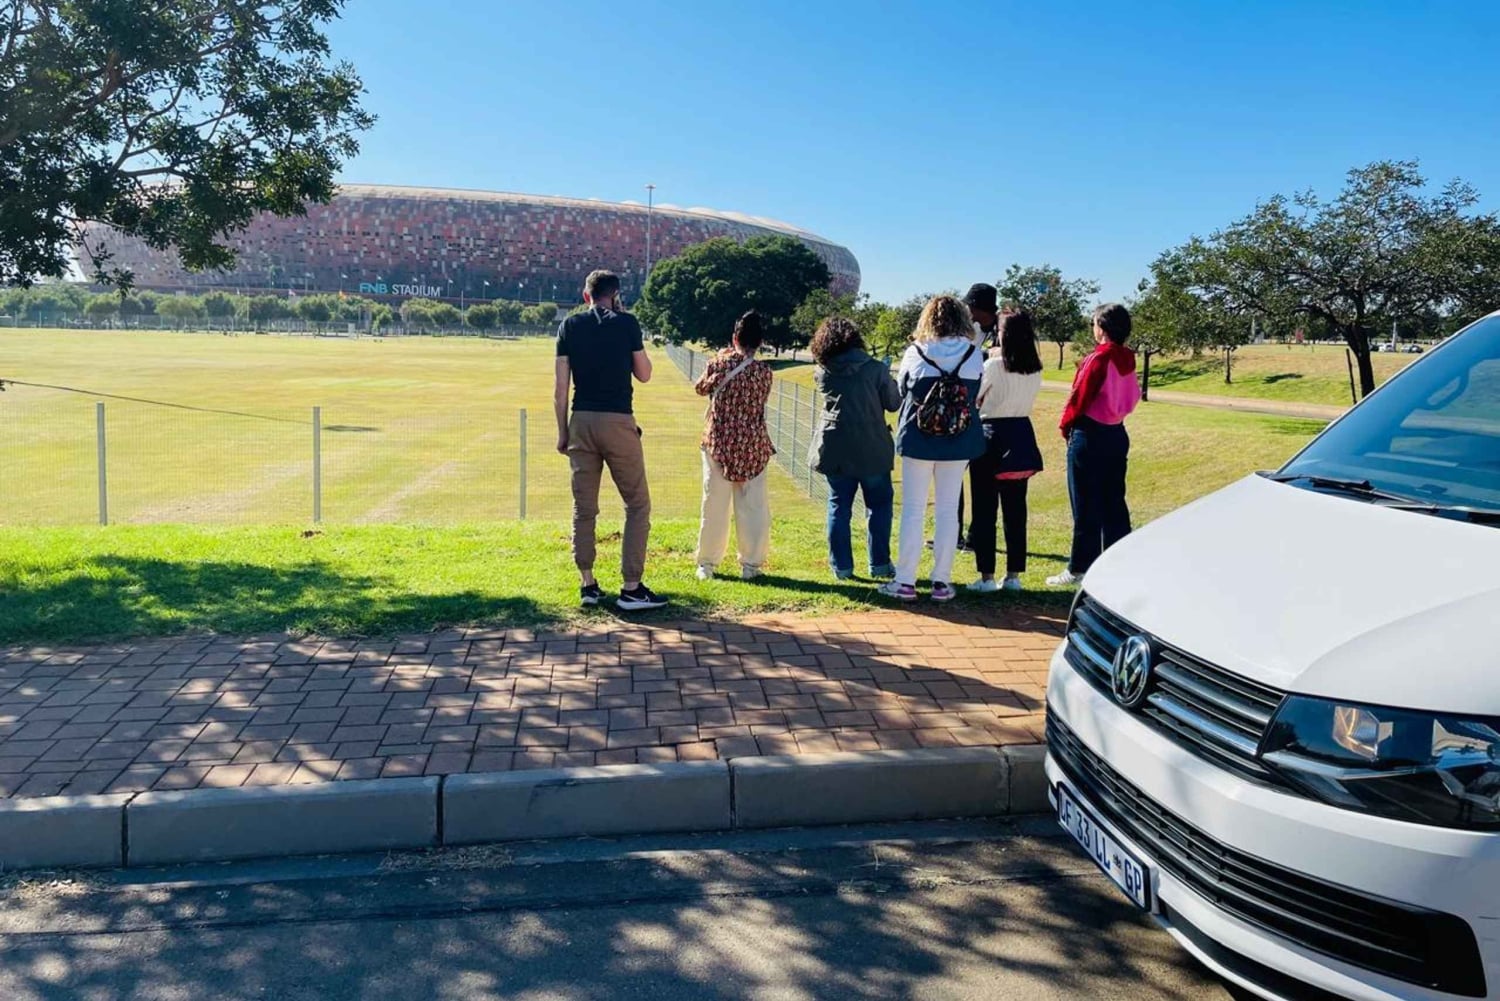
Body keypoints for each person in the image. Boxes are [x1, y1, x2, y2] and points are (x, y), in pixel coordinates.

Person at [553, 269, 667, 611]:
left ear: (586, 295)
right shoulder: (627, 324)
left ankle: (588, 584)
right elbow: (644, 375)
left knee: (584, 508)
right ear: (615, 295)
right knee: (637, 504)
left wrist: (563, 432)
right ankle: (631, 588)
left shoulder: (569, 326)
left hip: (581, 421)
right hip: (618, 421)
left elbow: (560, 390)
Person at [880, 294, 985, 603]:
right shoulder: (973, 353)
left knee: (913, 509)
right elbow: (976, 393)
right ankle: (941, 580)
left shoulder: (916, 352)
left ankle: (906, 580)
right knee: (947, 510)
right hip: (959, 438)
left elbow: (902, 389)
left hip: (919, 436)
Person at [1048, 302, 1141, 587]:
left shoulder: (1098, 359)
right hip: (1116, 432)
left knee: (1085, 504)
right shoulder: (1128, 358)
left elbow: (1079, 397)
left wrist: (1066, 426)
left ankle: (1079, 567)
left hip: (1090, 433)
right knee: (1114, 502)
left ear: (1102, 327)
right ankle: (1119, 563)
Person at [808, 316, 900, 580]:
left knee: (838, 505)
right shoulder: (875, 370)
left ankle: (842, 567)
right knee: (880, 505)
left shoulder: (823, 371)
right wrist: (887, 377)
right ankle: (880, 564)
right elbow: (893, 403)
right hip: (872, 445)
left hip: (835, 447)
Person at [693, 311, 775, 580]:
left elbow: (700, 388)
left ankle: (707, 564)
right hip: (753, 444)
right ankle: (750, 565)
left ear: (734, 337)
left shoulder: (720, 363)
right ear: (760, 342)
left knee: (714, 503)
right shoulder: (764, 373)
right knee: (753, 506)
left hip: (719, 441)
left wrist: (723, 357)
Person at [967, 309, 1044, 592]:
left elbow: (976, 399)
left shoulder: (993, 366)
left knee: (985, 508)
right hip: (1021, 433)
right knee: (1016, 510)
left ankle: (986, 575)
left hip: (991, 434)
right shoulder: (1035, 367)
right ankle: (1013, 575)